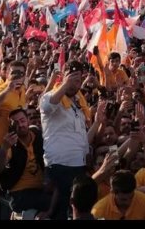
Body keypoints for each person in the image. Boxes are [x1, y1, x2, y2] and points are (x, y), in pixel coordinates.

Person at [39, 64, 90, 219]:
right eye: (71, 77)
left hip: (78, 165)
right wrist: (65, 84)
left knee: (73, 211)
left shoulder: (79, 106)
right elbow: (48, 107)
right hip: (60, 165)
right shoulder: (50, 96)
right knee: (60, 212)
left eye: (78, 79)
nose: (75, 82)